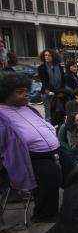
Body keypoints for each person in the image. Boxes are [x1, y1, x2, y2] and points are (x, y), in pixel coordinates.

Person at [0, 73, 61, 223]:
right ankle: (44, 215)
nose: (26, 95)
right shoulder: (2, 115)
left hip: (52, 151)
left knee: (77, 169)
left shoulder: (28, 108)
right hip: (28, 157)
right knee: (50, 174)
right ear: (6, 94)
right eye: (19, 92)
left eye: (26, 90)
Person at [38, 49, 65, 123]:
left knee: (60, 112)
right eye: (45, 55)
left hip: (59, 93)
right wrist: (57, 92)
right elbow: (45, 83)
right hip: (47, 93)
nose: (47, 57)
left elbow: (63, 80)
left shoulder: (59, 67)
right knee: (49, 113)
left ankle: (59, 130)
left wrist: (61, 91)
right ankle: (49, 130)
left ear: (53, 56)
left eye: (49, 55)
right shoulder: (41, 68)